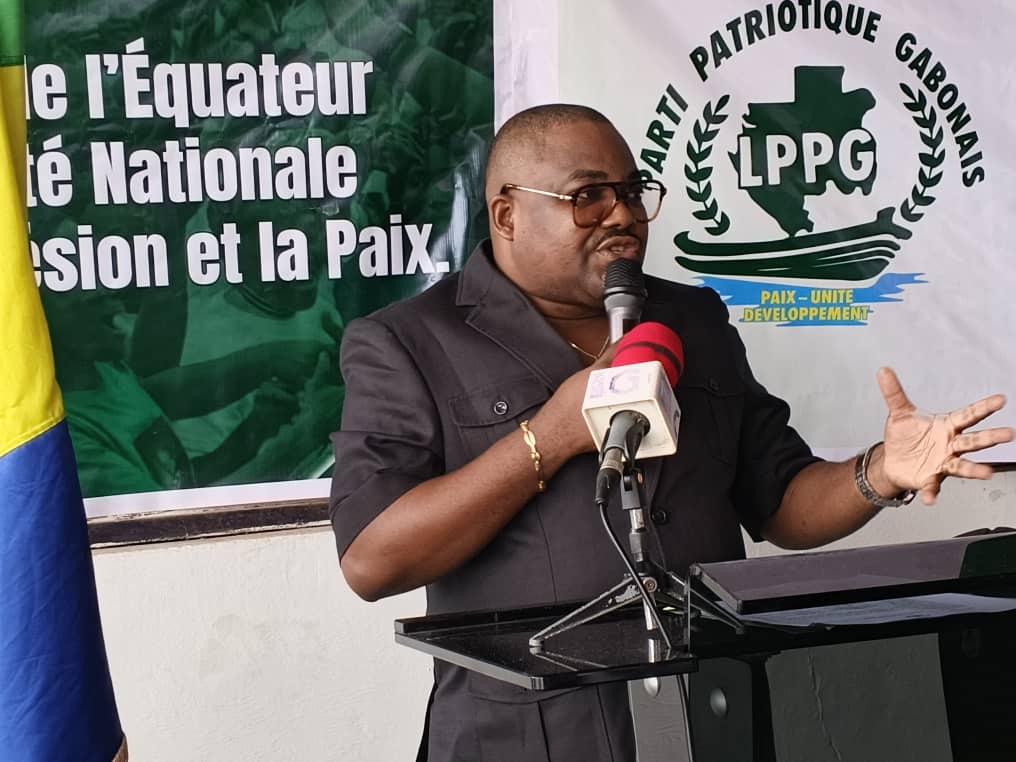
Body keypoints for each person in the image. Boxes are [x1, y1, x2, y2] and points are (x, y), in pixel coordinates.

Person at [328, 104, 1013, 761]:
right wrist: (552, 435)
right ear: (508, 214)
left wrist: (880, 472)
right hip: (530, 734)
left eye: (632, 192)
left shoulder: (693, 319)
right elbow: (371, 561)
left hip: (711, 715)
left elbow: (781, 503)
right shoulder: (409, 342)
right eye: (588, 196)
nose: (622, 214)